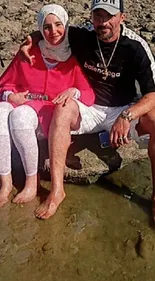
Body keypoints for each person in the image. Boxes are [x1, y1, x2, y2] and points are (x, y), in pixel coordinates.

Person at [20, 0, 155, 221]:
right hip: (90, 106)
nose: (103, 23)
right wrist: (30, 40)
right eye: (98, 16)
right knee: (63, 107)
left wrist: (126, 116)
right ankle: (56, 191)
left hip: (123, 107)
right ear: (91, 17)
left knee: (153, 117)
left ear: (122, 17)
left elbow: (153, 95)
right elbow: (53, 30)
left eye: (109, 16)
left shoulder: (135, 46)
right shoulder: (83, 33)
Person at [0, 4, 95, 208]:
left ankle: (31, 183)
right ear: (40, 29)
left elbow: (89, 94)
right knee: (1, 111)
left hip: (46, 117)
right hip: (25, 103)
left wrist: (74, 92)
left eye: (58, 25)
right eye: (47, 27)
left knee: (20, 115)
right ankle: (5, 182)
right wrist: (10, 96)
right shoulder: (29, 52)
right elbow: (4, 83)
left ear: (66, 25)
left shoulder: (74, 55)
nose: (53, 32)